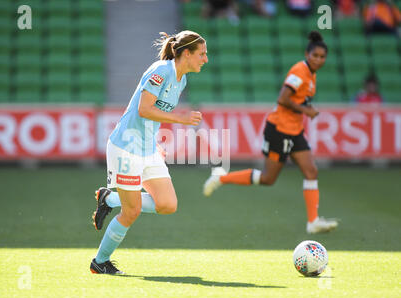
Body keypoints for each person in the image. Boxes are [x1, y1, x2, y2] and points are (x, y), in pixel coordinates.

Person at [90, 30, 208, 275]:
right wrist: (181, 119)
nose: (205, 59)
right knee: (131, 211)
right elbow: (144, 109)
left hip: (147, 147)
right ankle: (100, 262)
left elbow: (152, 114)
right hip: (126, 147)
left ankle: (109, 199)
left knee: (168, 204)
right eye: (202, 54)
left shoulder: (181, 79)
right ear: (186, 54)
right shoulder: (161, 70)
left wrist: (154, 142)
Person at [203, 31, 338, 235]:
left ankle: (313, 221)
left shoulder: (311, 74)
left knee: (311, 171)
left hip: (295, 131)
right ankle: (221, 178)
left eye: (322, 57)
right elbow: (282, 98)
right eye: (315, 56)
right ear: (306, 54)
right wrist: (307, 110)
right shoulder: (299, 72)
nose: (318, 60)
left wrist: (303, 109)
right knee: (268, 179)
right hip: (279, 130)